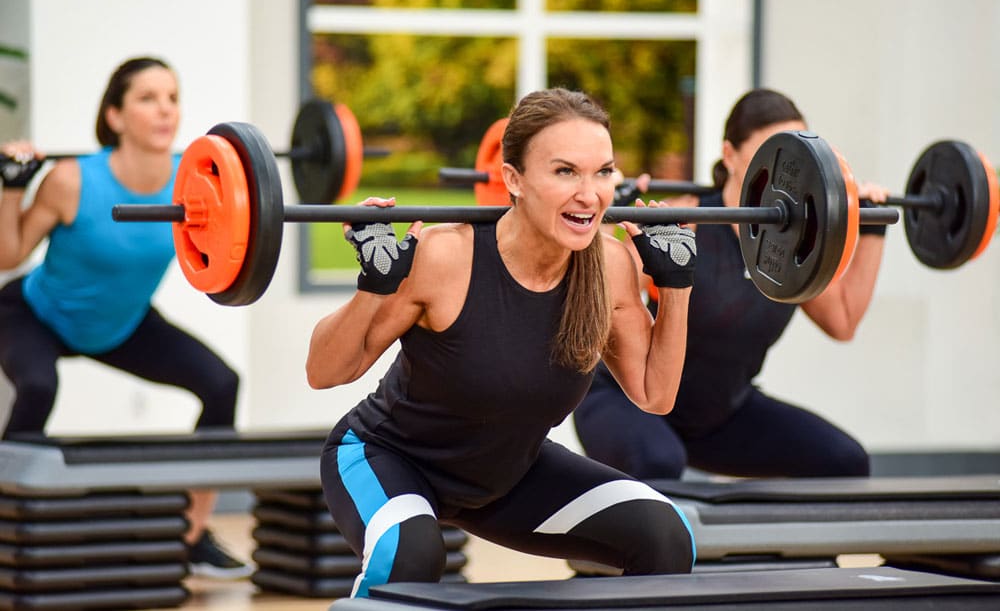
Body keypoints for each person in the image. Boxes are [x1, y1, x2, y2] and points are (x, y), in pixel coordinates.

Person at [308, 88, 698, 597]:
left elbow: (655, 393)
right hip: (388, 456)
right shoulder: (446, 256)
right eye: (565, 171)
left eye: (603, 171)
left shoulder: (610, 265)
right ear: (513, 179)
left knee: (666, 537)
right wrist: (374, 285)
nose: (590, 193)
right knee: (410, 552)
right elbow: (324, 371)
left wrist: (677, 289)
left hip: (508, 475)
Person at [0, 56, 254, 580]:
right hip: (35, 314)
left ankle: (191, 535)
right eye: (147, 98)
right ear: (115, 116)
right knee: (38, 387)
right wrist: (9, 186)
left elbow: (236, 244)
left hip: (122, 324)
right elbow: (10, 253)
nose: (165, 110)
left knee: (221, 383)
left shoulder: (195, 179)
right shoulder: (71, 180)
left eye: (172, 97)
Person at [574, 88, 889, 480]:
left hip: (719, 417)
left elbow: (842, 320)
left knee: (844, 462)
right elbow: (598, 294)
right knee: (658, 461)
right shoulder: (686, 220)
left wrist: (871, 228)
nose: (786, 168)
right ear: (730, 155)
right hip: (627, 404)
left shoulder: (800, 248)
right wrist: (602, 222)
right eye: (772, 152)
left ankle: (767, 545)